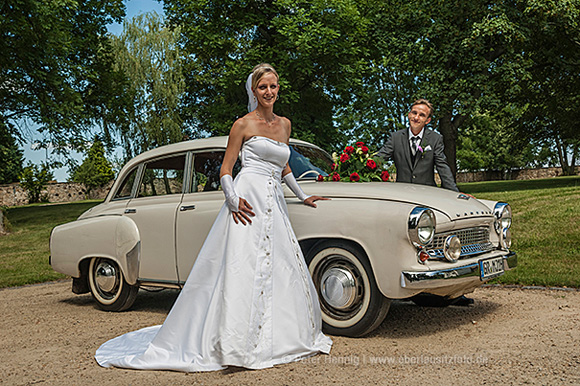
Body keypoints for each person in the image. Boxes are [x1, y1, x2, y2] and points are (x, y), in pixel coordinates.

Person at [94, 63, 332, 372]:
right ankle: (233, 342)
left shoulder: (285, 125)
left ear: (278, 88)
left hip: (274, 202)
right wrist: (233, 200)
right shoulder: (243, 125)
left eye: (273, 86)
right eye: (263, 87)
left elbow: (284, 167)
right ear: (253, 91)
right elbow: (226, 169)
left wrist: (303, 195)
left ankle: (278, 337)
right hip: (247, 198)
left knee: (278, 265)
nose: (269, 92)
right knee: (241, 266)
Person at [376, 99, 459, 192]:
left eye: (422, 115)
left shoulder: (435, 139)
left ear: (427, 120)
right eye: (414, 113)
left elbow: (442, 167)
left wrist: (455, 193)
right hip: (402, 193)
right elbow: (379, 159)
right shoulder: (395, 138)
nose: (416, 117)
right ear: (409, 115)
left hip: (427, 193)